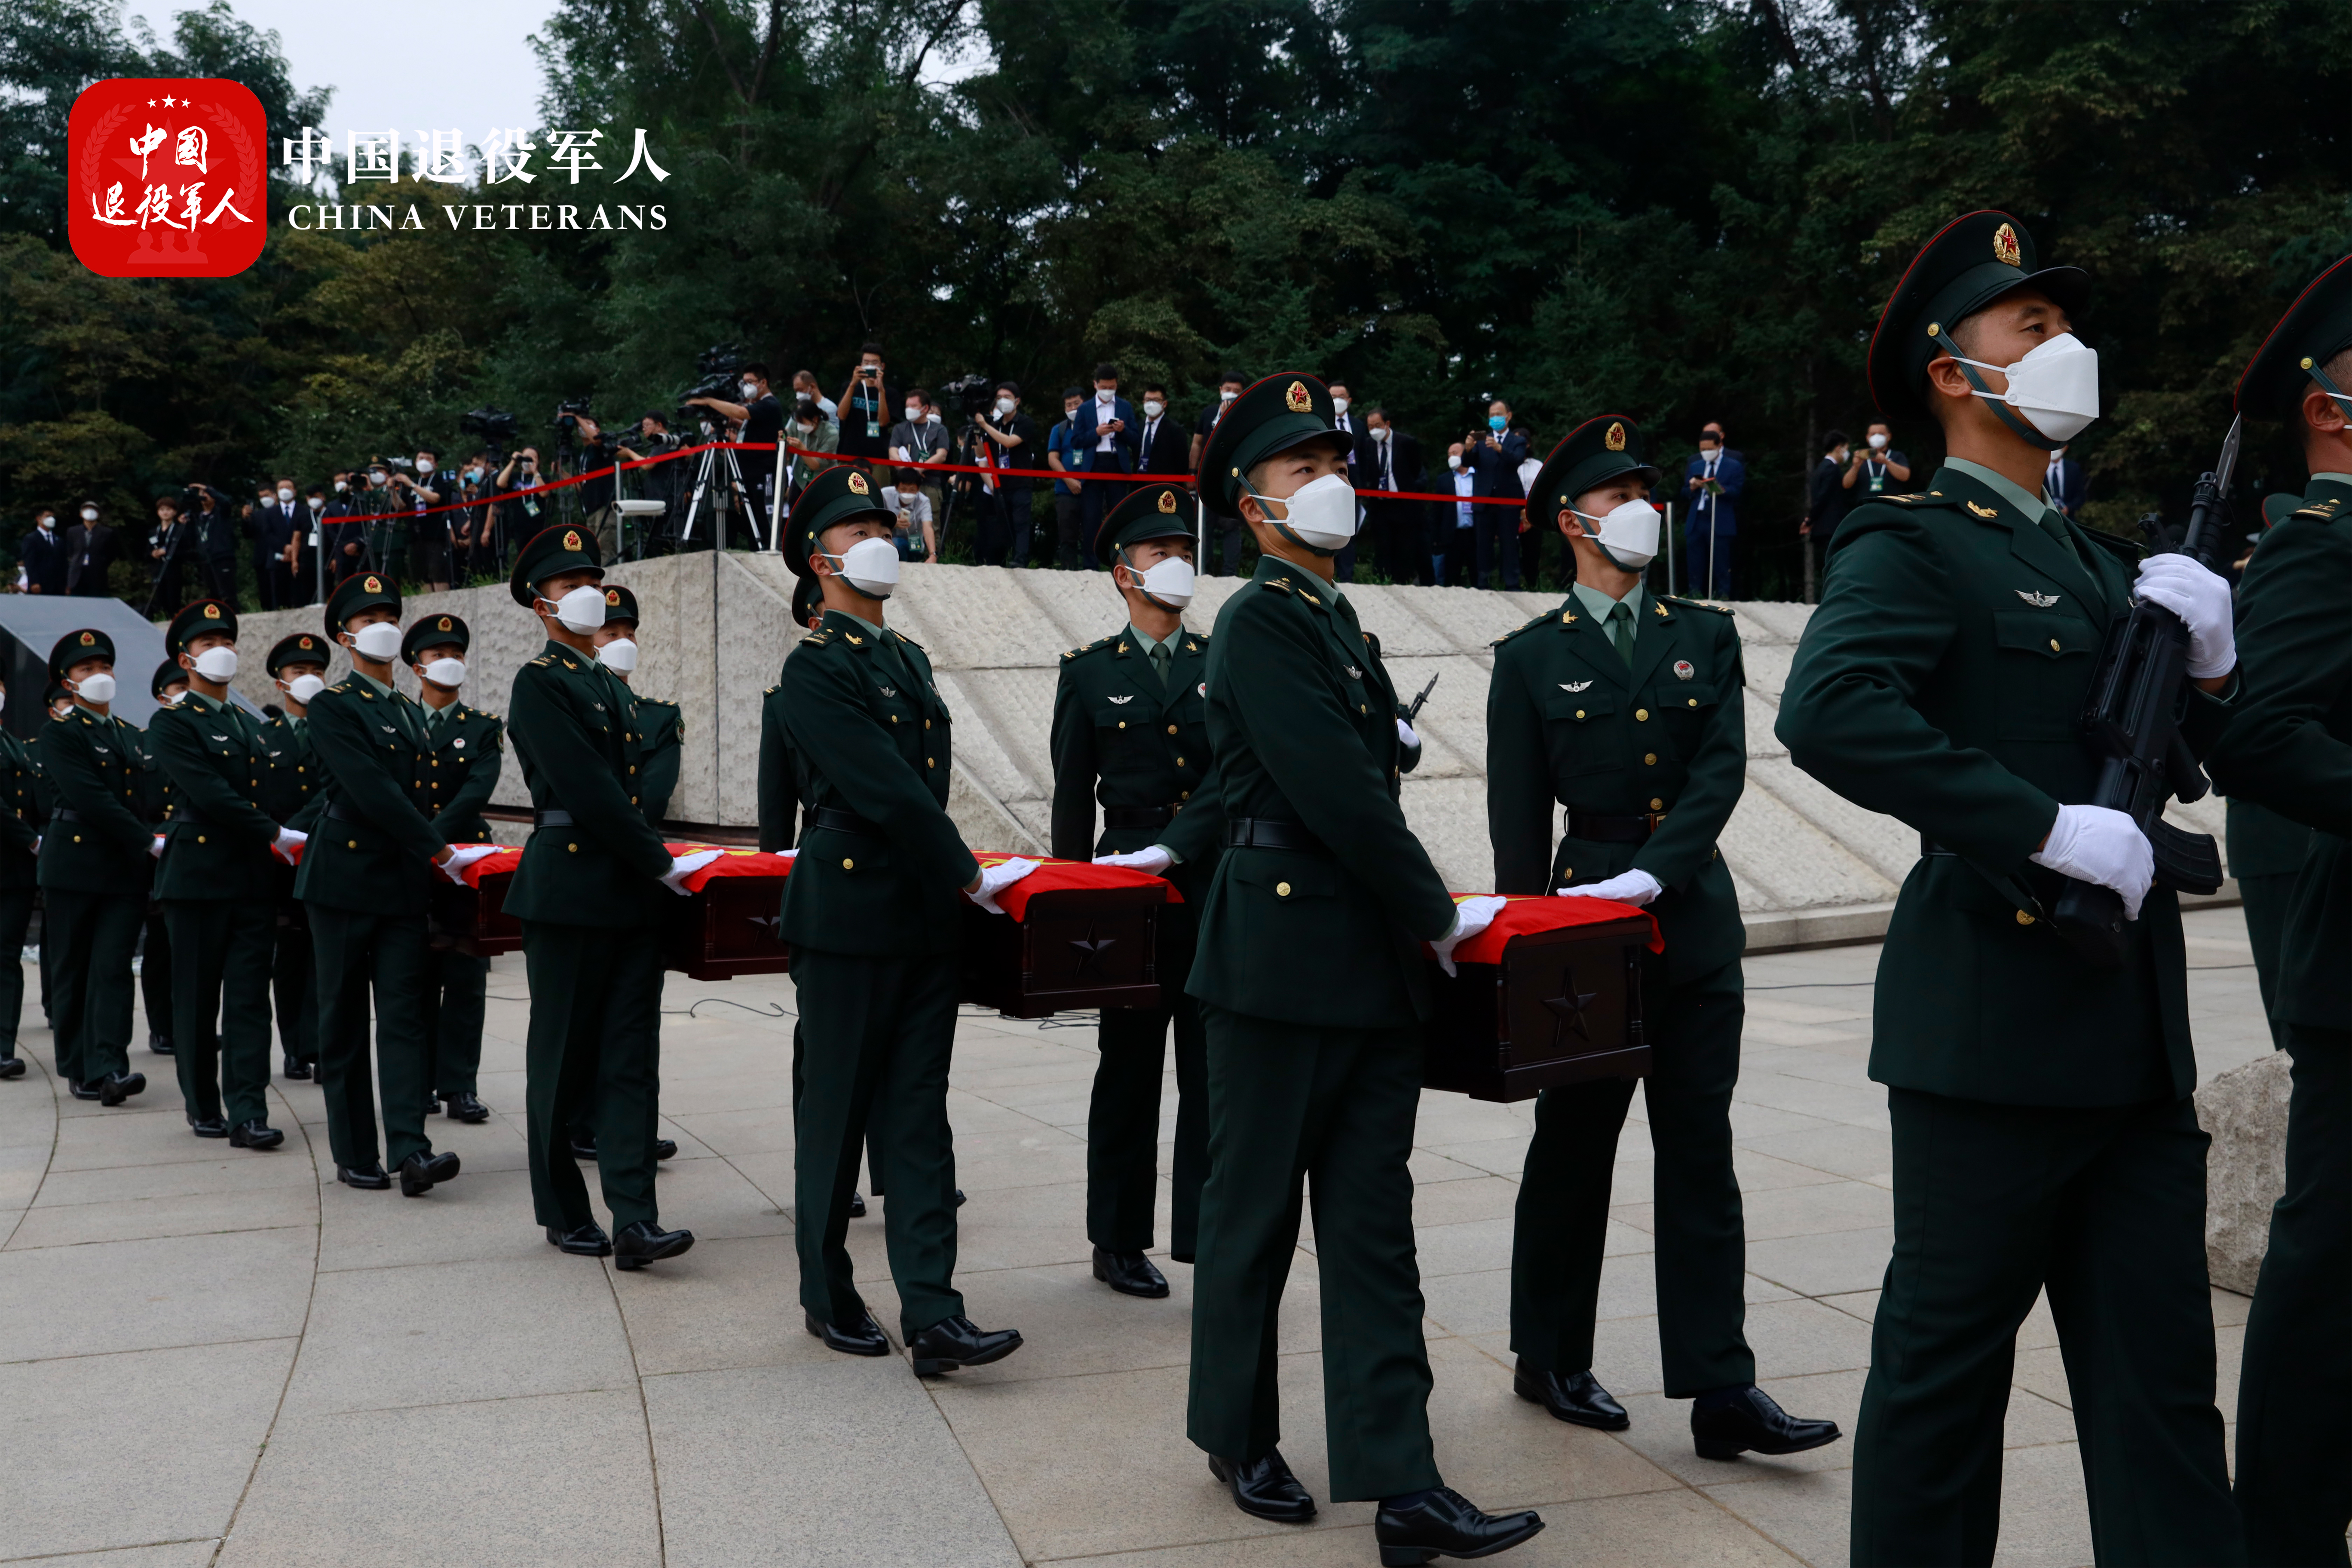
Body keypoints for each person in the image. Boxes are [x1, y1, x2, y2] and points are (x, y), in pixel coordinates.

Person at [1776, 210, 2243, 1565]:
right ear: (1950, 372)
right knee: (1945, 1384)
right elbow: (1834, 710)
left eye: (2066, 327)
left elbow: (2198, 753)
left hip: (2133, 1039)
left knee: (2161, 1389)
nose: (2065, 347)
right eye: (2031, 327)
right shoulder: (1915, 539)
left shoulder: (2099, 563)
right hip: (1992, 1022)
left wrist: (2214, 666)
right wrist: (2039, 825)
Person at [1183, 372, 1538, 1561]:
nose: (1331, 485)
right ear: (1252, 504)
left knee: (1375, 1230)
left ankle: (1403, 1482)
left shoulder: (1341, 621)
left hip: (1362, 964)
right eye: (1302, 470)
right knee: (1251, 1221)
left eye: (1336, 464)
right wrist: (1436, 910)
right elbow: (1335, 793)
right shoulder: (1259, 620)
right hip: (1276, 957)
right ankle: (1236, 1433)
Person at [1488, 414, 1843, 1462]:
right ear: (1571, 520)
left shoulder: (1705, 633)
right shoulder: (1527, 657)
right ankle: (1547, 1353)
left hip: (1688, 921)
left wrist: (1663, 867)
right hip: (1581, 930)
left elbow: (1718, 770)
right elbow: (1517, 823)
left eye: (1649, 487)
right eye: (1618, 493)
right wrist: (1522, 942)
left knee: (1701, 1153)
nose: (1642, 507)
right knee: (1574, 1146)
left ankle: (1719, 1386)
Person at [764, 465, 1031, 1371]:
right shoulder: (813, 668)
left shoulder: (906, 656)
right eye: (859, 526)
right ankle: (826, 1292)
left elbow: (929, 780)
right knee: (836, 1115)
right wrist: (965, 870)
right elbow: (881, 786)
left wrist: (948, 880)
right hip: (847, 909)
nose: (880, 535)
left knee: (919, 1115)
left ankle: (934, 1311)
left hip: (918, 913)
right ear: (820, 557)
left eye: (885, 520)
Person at [2208, 248, 2351, 1568]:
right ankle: (2290, 1539)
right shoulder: (2318, 546)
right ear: (2329, 406)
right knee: (2329, 1259)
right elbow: (2261, 735)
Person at [505, 525, 701, 1268]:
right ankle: (561, 1207)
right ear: (541, 604)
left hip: (626, 891)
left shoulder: (605, 684)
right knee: (561, 1057)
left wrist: (650, 865)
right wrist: (659, 860)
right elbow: (587, 790)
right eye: (571, 582)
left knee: (629, 1058)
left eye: (594, 576)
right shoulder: (542, 681)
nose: (588, 591)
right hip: (569, 888)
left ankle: (635, 1216)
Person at [1050, 482, 1220, 1298]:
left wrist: (1179, 847)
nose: (1179, 565)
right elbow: (1069, 799)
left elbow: (1235, 776)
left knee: (1211, 1069)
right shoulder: (1087, 674)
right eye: (1162, 554)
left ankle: (1206, 1232)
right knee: (1126, 1066)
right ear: (1125, 574)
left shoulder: (1222, 661)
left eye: (1185, 552)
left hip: (1210, 880)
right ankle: (1116, 1237)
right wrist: (1069, 900)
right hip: (1123, 890)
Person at [298, 572, 470, 1198]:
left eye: (389, 614)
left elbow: (418, 793)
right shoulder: (332, 706)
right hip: (344, 877)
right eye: (368, 616)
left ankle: (411, 1148)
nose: (383, 624)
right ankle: (354, 1151)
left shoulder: (407, 708)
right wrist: (439, 848)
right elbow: (372, 790)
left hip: (399, 881)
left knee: (404, 1017)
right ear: (344, 635)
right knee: (343, 1019)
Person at [149, 600, 297, 1149]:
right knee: (196, 998)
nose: (223, 651)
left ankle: (249, 1110)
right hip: (199, 876)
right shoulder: (172, 723)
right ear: (185, 658)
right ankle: (203, 1103)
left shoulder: (249, 723)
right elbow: (210, 792)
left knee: (250, 1000)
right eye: (209, 643)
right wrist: (274, 832)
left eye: (228, 641)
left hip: (251, 878)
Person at [39, 629, 150, 1106]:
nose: (99, 676)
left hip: (122, 869)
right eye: (87, 670)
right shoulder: (60, 733)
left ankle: (110, 1065)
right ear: (69, 681)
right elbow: (91, 798)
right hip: (76, 863)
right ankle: (78, 1065)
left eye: (104, 667)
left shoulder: (129, 734)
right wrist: (148, 840)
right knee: (74, 966)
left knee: (114, 968)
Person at [402, 613, 501, 1125]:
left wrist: (430, 838)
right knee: (414, 976)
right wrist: (417, 843)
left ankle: (459, 1085)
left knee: (467, 976)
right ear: (417, 666)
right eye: (440, 654)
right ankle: (415, 1085)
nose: (451, 662)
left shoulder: (483, 728)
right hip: (408, 863)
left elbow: (476, 792)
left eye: (458, 654)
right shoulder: (398, 721)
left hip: (464, 863)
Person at [260, 633, 330, 1081]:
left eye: (317, 672)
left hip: (328, 855)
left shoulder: (340, 731)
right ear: (280, 683)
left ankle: (324, 1046)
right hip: (280, 863)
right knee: (288, 957)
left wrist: (299, 828)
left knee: (328, 957)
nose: (309, 679)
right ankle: (294, 1047)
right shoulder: (262, 737)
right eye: (298, 672)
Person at [0, 669, 43, 1080]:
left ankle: (2, 1048)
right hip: (18, 852)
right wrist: (32, 840)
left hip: (14, 872)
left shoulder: (16, 746)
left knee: (7, 958)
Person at [141, 662, 184, 1061]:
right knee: (159, 949)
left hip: (194, 854)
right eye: (179, 686)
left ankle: (187, 1026)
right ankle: (162, 1027)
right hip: (155, 857)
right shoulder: (144, 744)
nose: (187, 690)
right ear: (162, 695)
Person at [1070, 364, 1139, 566]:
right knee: (1091, 516)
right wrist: (1096, 434)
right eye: (1104, 387)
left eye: (1112, 387)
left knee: (1118, 516)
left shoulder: (1125, 407)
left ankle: (1120, 562)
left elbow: (1135, 440)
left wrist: (1123, 431)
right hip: (1093, 466)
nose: (1108, 391)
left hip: (1117, 463)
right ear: (1095, 385)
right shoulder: (1084, 409)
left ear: (1117, 385)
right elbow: (1076, 441)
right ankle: (1090, 564)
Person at [1461, 401, 1530, 588]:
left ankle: (1512, 583)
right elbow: (1468, 462)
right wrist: (1468, 448)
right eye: (1492, 415)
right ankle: (1482, 582)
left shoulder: (1517, 441)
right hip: (1484, 500)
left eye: (1499, 414)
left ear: (1508, 416)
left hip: (1508, 500)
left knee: (1509, 544)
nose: (1495, 419)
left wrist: (1501, 449)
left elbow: (1517, 460)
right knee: (1483, 543)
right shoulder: (1482, 441)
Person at [973, 381, 1038, 567]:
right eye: (999, 398)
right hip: (1000, 484)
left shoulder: (1025, 422)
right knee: (1002, 525)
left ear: (1017, 401)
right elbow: (980, 454)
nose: (1003, 401)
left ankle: (1021, 559)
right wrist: (978, 434)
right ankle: (1000, 560)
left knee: (1021, 523)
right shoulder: (994, 425)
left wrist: (985, 426)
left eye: (1007, 398)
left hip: (1021, 483)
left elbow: (1009, 442)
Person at [1358, 407, 1426, 585]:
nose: (1374, 430)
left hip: (1403, 504)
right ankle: (1381, 581)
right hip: (1380, 505)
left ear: (1387, 424)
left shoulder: (1406, 443)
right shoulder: (1368, 444)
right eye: (1370, 426)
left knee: (1404, 546)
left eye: (1378, 425)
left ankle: (1402, 581)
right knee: (1382, 547)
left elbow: (1416, 469)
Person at [1192, 372, 1248, 576]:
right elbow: (1197, 442)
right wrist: (1192, 471)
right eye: (1227, 389)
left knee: (1231, 525)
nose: (1230, 394)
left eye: (1236, 391)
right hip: (1207, 478)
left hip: (1232, 479)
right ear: (1220, 390)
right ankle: (1201, 570)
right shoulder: (1208, 413)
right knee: (1204, 526)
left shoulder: (1245, 415)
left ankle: (1229, 573)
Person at [1684, 427, 1745, 599]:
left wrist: (1718, 489)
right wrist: (1692, 487)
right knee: (1695, 558)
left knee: (1721, 559)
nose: (1706, 453)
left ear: (1719, 447)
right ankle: (1694, 592)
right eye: (1703, 450)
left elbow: (1737, 491)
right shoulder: (1696, 465)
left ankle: (1724, 593)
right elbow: (1684, 492)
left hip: (1720, 518)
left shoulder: (1734, 466)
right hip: (1698, 518)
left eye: (1710, 449)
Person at [888, 389, 948, 528]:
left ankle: (932, 551)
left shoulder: (939, 430)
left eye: (913, 406)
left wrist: (918, 470)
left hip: (930, 484)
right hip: (905, 486)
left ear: (925, 408)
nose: (909, 410)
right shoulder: (900, 428)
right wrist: (910, 474)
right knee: (905, 525)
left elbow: (941, 455)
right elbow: (893, 453)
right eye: (907, 406)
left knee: (932, 526)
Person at [836, 345, 893, 465]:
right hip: (849, 454)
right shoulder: (849, 387)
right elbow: (841, 415)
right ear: (861, 365)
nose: (870, 366)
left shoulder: (890, 392)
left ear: (882, 366)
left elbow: (883, 422)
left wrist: (881, 391)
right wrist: (853, 384)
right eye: (866, 362)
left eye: (874, 363)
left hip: (877, 457)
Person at [1803, 430, 1852, 572]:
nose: (1846, 453)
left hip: (1822, 527)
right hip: (1831, 527)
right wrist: (1810, 520)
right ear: (1839, 448)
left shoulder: (1820, 468)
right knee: (1836, 566)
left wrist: (1811, 519)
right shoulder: (1832, 469)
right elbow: (1823, 497)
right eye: (1846, 449)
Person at [147, 491, 193, 613]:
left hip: (173, 568)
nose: (165, 512)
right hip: (157, 569)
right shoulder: (153, 532)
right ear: (158, 512)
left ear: (174, 512)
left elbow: (186, 550)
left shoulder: (179, 530)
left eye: (168, 509)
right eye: (162, 510)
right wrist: (153, 554)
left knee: (173, 599)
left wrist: (167, 553)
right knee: (159, 599)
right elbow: (146, 551)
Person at [1440, 439, 1477, 585]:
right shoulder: (1443, 480)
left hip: (1476, 534)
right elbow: (1438, 511)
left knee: (1477, 574)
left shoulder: (1478, 476)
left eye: (1455, 454)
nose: (1452, 458)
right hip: (1453, 534)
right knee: (1451, 575)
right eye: (1449, 455)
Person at [1135, 384, 1188, 475]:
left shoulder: (1175, 430)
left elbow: (1182, 462)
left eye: (1156, 400)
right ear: (1143, 402)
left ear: (1164, 404)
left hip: (1163, 482)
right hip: (1140, 480)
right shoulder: (1138, 426)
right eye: (1148, 400)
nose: (1151, 404)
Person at [64, 501, 113, 597]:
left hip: (97, 575)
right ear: (81, 514)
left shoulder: (107, 533)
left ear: (98, 514)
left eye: (93, 510)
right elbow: (70, 551)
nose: (90, 512)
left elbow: (111, 553)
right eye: (86, 510)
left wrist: (101, 563)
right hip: (77, 575)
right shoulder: (73, 531)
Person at [886, 469, 936, 561]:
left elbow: (928, 527)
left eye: (912, 490)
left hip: (914, 545)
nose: (907, 493)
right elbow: (874, 519)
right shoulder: (885, 495)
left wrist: (933, 554)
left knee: (898, 544)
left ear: (918, 489)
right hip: (889, 541)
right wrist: (892, 522)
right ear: (896, 487)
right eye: (904, 489)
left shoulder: (923, 501)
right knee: (895, 543)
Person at [21, 507, 67, 596]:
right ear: (39, 519)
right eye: (48, 516)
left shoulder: (59, 540)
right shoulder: (31, 539)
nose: (51, 519)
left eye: (53, 517)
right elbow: (30, 562)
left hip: (58, 587)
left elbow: (64, 563)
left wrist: (66, 584)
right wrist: (34, 582)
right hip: (40, 585)